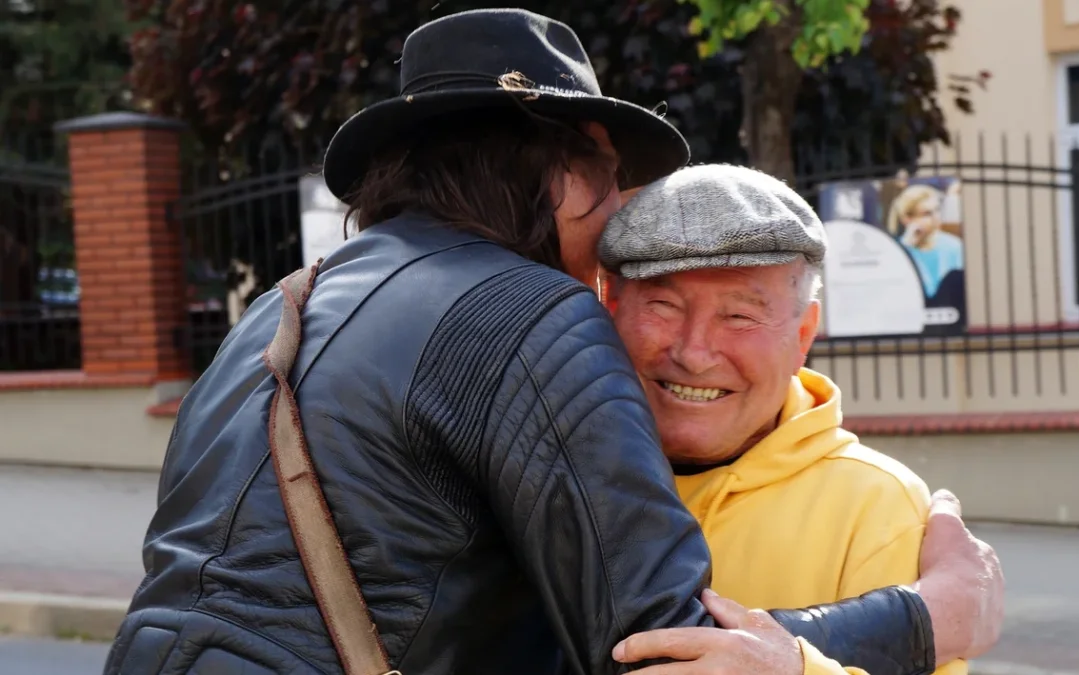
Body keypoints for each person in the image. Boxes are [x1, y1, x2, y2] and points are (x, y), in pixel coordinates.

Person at [103, 9, 1001, 675]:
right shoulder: (530, 311)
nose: (615, 219)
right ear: (557, 166)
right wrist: (925, 618)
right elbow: (656, 649)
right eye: (610, 179)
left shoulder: (277, 312)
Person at [600, 165, 996, 672]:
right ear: (608, 308)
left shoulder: (876, 508)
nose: (694, 353)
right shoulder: (556, 470)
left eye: (740, 315)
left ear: (803, 335)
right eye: (663, 305)